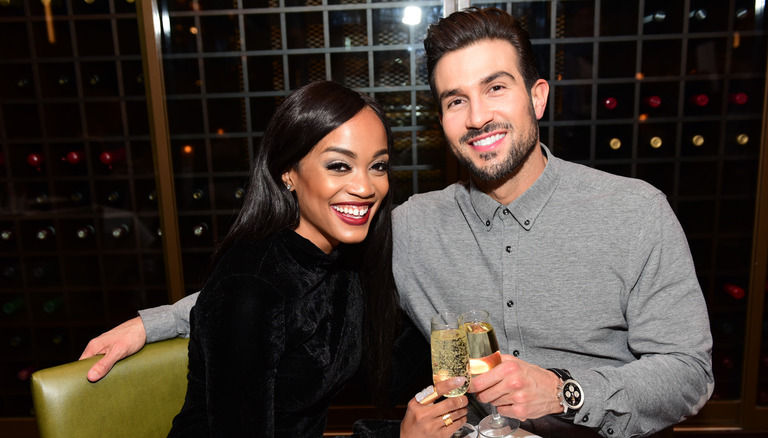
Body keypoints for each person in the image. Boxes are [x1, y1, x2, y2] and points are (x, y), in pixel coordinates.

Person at [81, 8, 713, 438]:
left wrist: (567, 392)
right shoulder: (408, 227)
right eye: (455, 100)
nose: (477, 116)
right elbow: (285, 289)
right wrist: (151, 322)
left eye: (496, 89)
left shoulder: (633, 212)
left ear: (537, 96)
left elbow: (688, 371)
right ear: (441, 118)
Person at [120, 80, 468, 437]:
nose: (365, 187)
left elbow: (382, 376)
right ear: (288, 172)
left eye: (377, 166)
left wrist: (453, 318)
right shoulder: (250, 286)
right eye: (339, 166)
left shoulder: (340, 263)